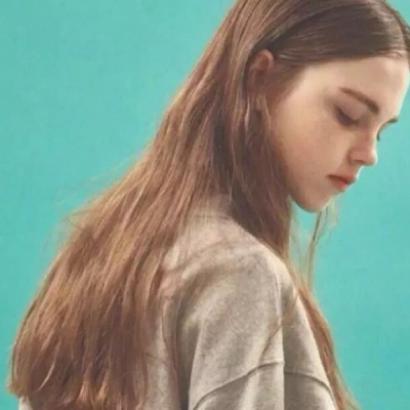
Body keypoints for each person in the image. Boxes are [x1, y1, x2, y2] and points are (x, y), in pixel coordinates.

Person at [8, 1, 410, 409]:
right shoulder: (241, 272)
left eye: (381, 131)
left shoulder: (104, 245)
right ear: (260, 77)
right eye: (348, 114)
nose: (370, 153)